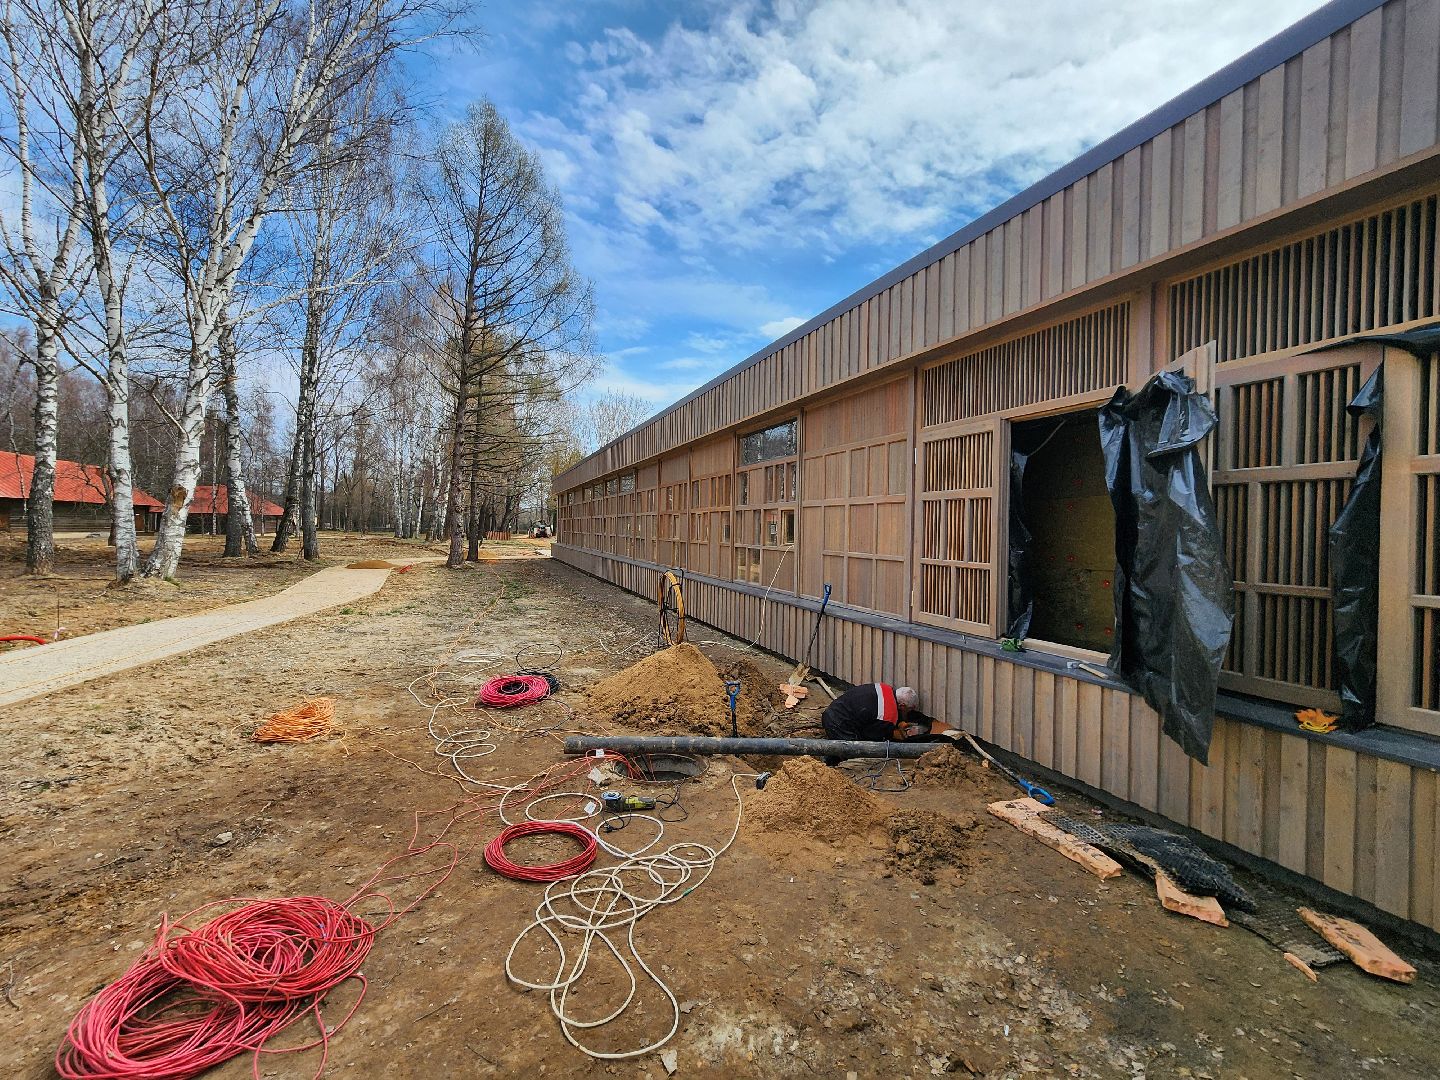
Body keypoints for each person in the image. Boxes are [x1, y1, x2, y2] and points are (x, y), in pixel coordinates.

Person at [820, 682, 929, 749]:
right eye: (909, 710)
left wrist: (899, 723)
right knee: (852, 752)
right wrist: (894, 734)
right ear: (902, 706)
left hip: (832, 711)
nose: (908, 713)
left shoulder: (884, 688)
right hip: (838, 725)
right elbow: (871, 737)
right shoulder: (888, 717)